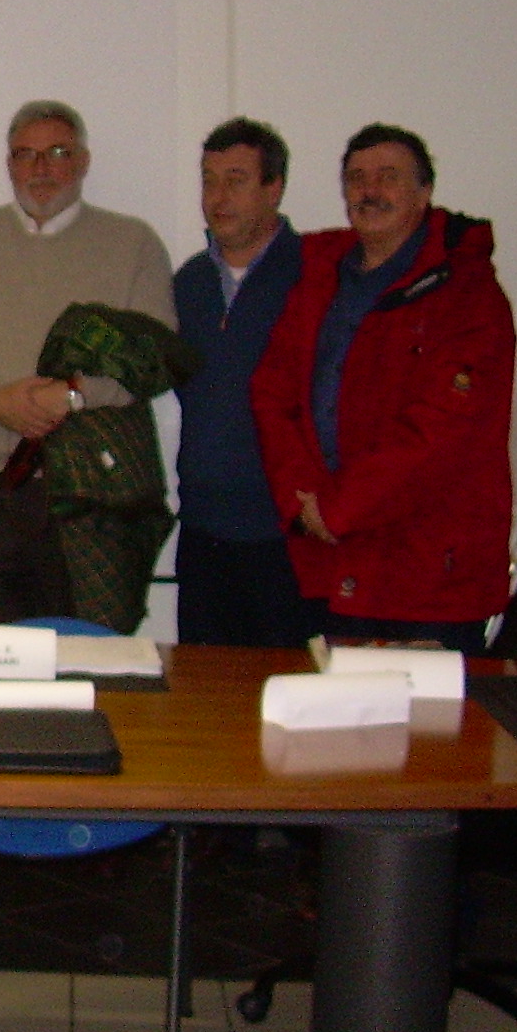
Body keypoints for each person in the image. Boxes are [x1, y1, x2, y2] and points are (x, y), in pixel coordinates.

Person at [251, 124, 515, 650]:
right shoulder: (319, 278)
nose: (369, 191)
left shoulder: (468, 296)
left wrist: (337, 510)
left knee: (428, 709)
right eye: (356, 178)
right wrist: (302, 500)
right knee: (325, 702)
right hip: (329, 562)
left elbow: (438, 433)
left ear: (424, 192)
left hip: (427, 570)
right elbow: (272, 394)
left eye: (388, 177)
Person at [0, 100, 174, 625]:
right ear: (9, 163)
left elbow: (156, 355)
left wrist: (72, 397)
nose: (40, 169)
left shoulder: (134, 243)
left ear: (83, 161)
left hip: (89, 488)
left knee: (82, 646)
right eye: (25, 154)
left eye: (57, 153)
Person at [171, 118, 310, 648]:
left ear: (274, 189)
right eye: (209, 180)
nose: (218, 197)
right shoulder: (190, 282)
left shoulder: (312, 277)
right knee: (203, 684)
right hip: (202, 526)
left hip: (286, 532)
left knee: (284, 683)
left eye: (236, 180)